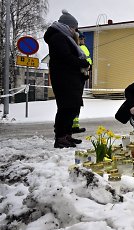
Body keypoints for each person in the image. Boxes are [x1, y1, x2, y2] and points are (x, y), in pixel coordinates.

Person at [44, 10, 90, 148]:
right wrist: (82, 63)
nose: (75, 31)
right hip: (64, 80)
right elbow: (65, 58)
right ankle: (60, 137)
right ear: (68, 26)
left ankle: (67, 135)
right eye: (74, 28)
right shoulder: (58, 37)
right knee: (65, 108)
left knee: (72, 108)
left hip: (70, 79)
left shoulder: (64, 37)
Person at [71, 31, 93, 134]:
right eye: (81, 39)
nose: (83, 40)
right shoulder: (74, 47)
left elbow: (88, 60)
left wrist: (89, 66)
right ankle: (69, 125)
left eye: (83, 39)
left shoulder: (83, 48)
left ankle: (75, 125)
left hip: (81, 76)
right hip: (76, 77)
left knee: (77, 102)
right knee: (73, 102)